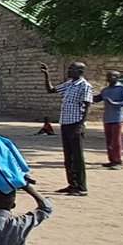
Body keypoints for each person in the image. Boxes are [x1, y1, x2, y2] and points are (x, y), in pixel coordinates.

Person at [40, 61, 92, 196]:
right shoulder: (69, 84)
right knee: (68, 156)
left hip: (76, 123)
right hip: (65, 123)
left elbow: (87, 106)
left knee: (77, 157)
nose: (68, 71)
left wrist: (82, 124)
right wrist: (47, 75)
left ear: (80, 71)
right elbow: (51, 90)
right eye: (69, 68)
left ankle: (81, 187)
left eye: (72, 69)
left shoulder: (84, 86)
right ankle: (72, 184)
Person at [92, 71, 123, 168]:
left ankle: (118, 161)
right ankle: (111, 159)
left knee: (116, 140)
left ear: (118, 77)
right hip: (107, 117)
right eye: (108, 76)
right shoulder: (105, 90)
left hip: (117, 117)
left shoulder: (122, 88)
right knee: (109, 140)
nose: (109, 78)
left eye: (112, 76)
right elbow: (97, 98)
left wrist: (115, 103)